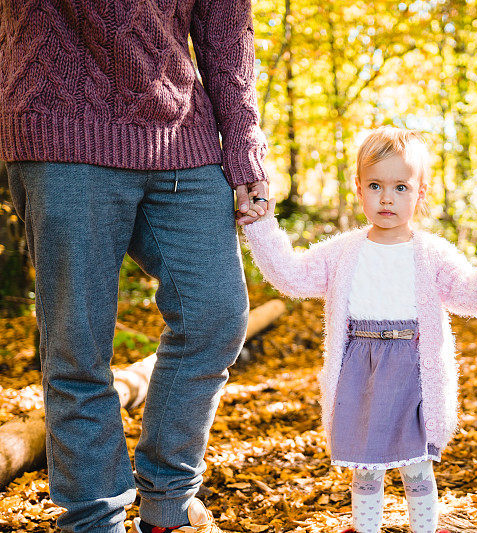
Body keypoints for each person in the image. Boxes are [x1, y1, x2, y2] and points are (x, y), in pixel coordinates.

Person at [0, 1, 270, 532]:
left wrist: (244, 147)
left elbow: (226, 26)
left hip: (182, 136)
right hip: (59, 127)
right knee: (77, 350)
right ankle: (93, 517)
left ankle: (168, 503)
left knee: (214, 316)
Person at [240, 126, 477, 533]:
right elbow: (291, 276)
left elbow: (471, 298)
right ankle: (365, 527)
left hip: (413, 371)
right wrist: (262, 227)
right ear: (359, 189)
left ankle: (424, 528)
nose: (386, 197)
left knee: (417, 467)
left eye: (401, 187)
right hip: (360, 368)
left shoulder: (432, 254)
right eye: (375, 185)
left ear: (420, 193)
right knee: (366, 468)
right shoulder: (343, 252)